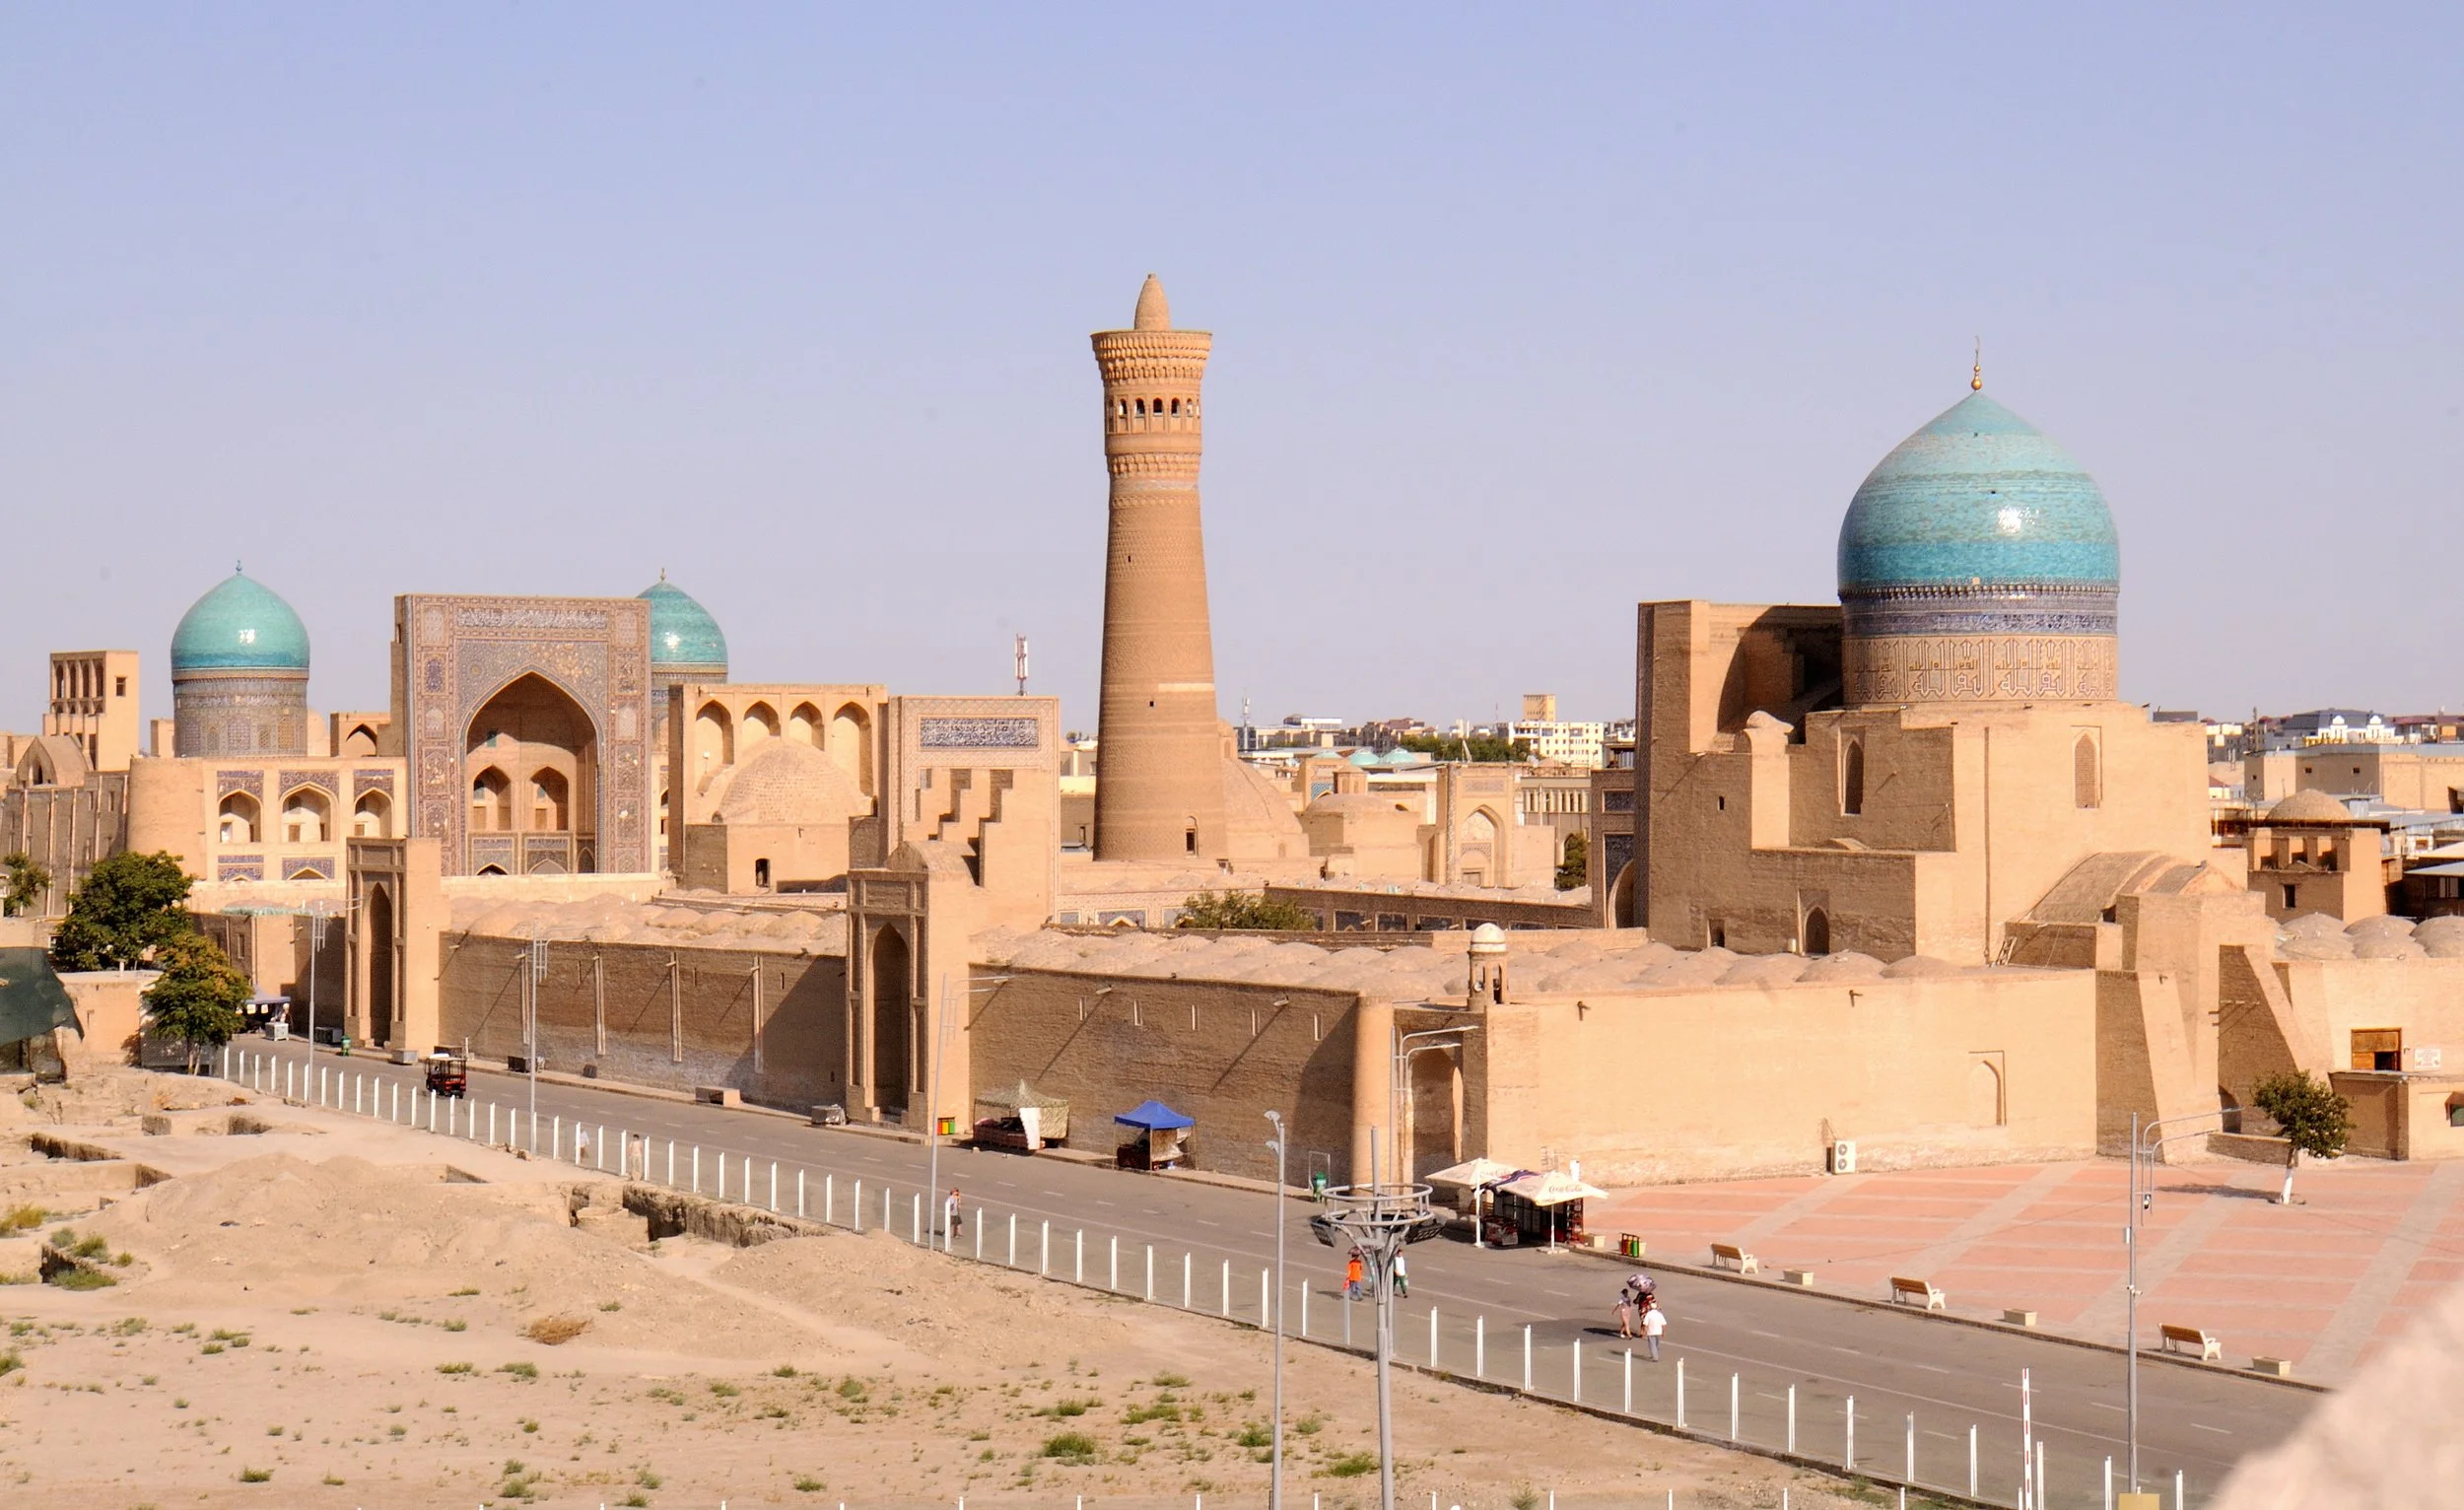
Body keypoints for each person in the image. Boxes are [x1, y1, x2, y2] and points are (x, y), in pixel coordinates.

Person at [1641, 1298, 1667, 1362]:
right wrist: (1663, 1332)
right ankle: (1655, 1355)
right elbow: (1664, 1324)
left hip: (1651, 1332)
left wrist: (1645, 1331)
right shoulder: (1659, 1314)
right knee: (1657, 1344)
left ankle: (1655, 1357)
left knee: (1652, 1345)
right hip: (1658, 1332)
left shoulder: (1649, 1314)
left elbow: (1645, 1324)